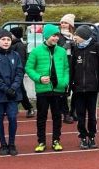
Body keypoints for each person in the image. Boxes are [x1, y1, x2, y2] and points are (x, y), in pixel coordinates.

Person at [25, 24, 69, 152]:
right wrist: (39, 78)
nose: (56, 38)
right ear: (46, 36)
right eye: (53, 35)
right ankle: (41, 142)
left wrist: (64, 82)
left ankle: (56, 140)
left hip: (58, 89)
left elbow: (66, 68)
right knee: (42, 117)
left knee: (57, 116)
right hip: (43, 90)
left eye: (57, 35)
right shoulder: (36, 51)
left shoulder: (61, 51)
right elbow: (28, 68)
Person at [0, 30, 24, 156]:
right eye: (3, 39)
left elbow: (20, 73)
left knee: (13, 118)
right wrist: (5, 88)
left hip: (13, 94)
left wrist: (13, 88)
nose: (6, 42)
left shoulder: (15, 55)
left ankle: (12, 143)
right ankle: (3, 144)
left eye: (8, 39)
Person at [70, 25, 99, 149]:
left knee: (92, 114)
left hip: (92, 88)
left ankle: (92, 136)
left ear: (84, 36)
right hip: (79, 88)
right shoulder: (75, 48)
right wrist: (70, 85)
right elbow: (72, 69)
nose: (75, 37)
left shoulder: (96, 47)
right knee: (80, 114)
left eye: (77, 35)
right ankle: (82, 137)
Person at [9, 27, 35, 117]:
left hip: (17, 73)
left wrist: (19, 72)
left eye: (11, 34)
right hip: (13, 72)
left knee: (20, 90)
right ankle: (23, 108)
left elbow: (21, 61)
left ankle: (29, 108)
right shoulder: (13, 45)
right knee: (18, 90)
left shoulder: (19, 46)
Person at [57, 14, 76, 124]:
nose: (63, 24)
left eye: (66, 23)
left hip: (73, 63)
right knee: (63, 89)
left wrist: (74, 44)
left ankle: (73, 111)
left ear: (70, 25)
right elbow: (58, 49)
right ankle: (65, 113)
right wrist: (66, 45)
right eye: (62, 22)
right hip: (62, 63)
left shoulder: (74, 36)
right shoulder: (58, 36)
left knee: (74, 89)